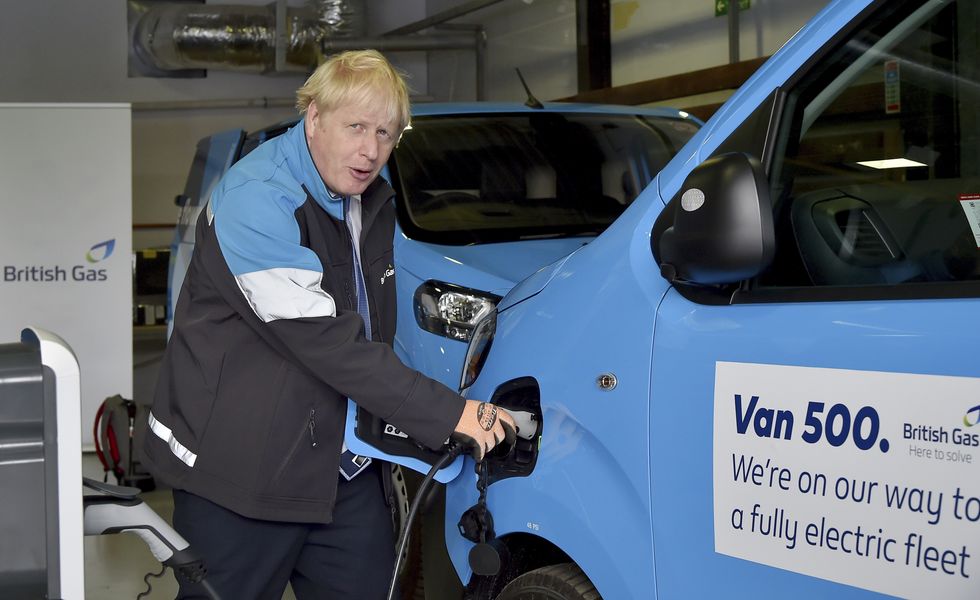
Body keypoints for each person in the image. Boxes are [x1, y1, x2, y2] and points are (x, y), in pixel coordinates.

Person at [141, 49, 515, 599]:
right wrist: (449, 413)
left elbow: (379, 325)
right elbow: (328, 344)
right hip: (240, 473)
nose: (371, 150)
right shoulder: (259, 200)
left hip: (342, 469)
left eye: (387, 134)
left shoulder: (364, 196)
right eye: (356, 127)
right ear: (313, 117)